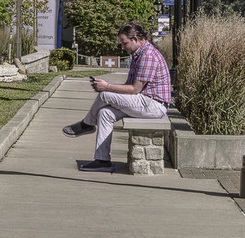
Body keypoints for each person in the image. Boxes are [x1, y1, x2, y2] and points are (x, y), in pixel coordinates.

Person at [62, 21, 171, 169]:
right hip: (143, 101)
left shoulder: (148, 56)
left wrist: (106, 87)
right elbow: (128, 87)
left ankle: (86, 124)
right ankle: (102, 160)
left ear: (135, 39)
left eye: (124, 43)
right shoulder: (138, 55)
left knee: (104, 95)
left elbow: (134, 89)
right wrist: (107, 87)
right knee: (105, 113)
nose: (122, 47)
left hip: (153, 105)